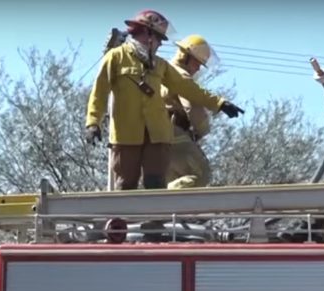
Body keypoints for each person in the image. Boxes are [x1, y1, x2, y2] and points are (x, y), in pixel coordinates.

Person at [84, 10, 244, 192]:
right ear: (147, 34)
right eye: (159, 38)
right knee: (125, 185)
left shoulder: (160, 65)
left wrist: (219, 103)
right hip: (126, 135)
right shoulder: (115, 57)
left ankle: (157, 212)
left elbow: (187, 87)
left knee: (156, 184)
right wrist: (93, 123)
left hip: (158, 136)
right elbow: (99, 92)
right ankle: (126, 212)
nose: (161, 44)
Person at [162, 34, 216, 189]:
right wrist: (202, 129)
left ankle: (165, 199)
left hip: (158, 138)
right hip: (174, 135)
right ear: (185, 56)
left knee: (173, 179)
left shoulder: (163, 71)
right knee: (200, 175)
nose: (198, 68)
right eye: (197, 62)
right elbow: (193, 106)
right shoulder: (180, 75)